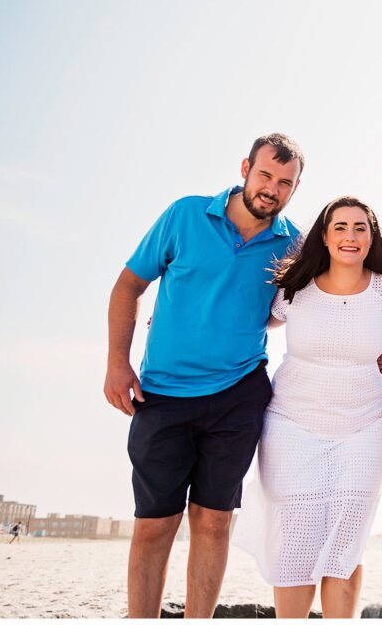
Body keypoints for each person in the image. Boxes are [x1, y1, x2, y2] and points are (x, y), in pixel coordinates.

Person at [103, 133, 305, 618]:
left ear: (294, 188)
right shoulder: (185, 215)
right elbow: (129, 284)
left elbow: (298, 306)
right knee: (155, 524)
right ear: (244, 168)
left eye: (285, 183)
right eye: (264, 176)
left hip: (239, 394)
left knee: (214, 522)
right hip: (163, 394)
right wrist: (116, 361)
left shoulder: (293, 244)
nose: (271, 189)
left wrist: (375, 347)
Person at [233, 196, 382, 618]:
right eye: (341, 227)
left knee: (345, 543)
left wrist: (379, 355)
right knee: (295, 541)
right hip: (292, 424)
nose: (351, 235)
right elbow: (246, 321)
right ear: (325, 236)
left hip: (365, 427)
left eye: (360, 228)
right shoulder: (295, 289)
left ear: (371, 238)